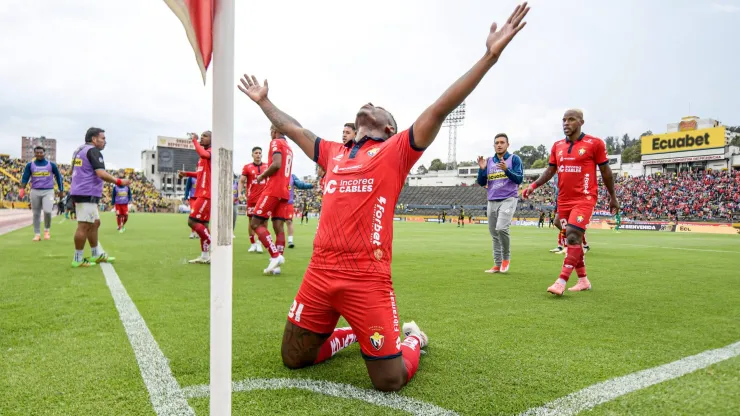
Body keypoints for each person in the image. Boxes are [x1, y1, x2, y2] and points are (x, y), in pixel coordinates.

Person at [237, 2, 529, 392]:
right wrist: (263, 101)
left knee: (388, 380)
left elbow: (441, 107)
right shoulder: (333, 153)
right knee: (294, 359)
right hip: (320, 272)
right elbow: (292, 127)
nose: (369, 103)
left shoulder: (396, 152)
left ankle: (413, 339)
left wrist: (489, 57)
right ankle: (346, 335)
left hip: (366, 278)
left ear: (389, 128)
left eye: (378, 108)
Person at [523, 109, 618, 295]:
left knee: (573, 236)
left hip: (584, 197)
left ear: (581, 122)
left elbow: (606, 171)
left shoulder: (594, 143)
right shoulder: (557, 146)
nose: (566, 123)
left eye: (571, 119)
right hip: (564, 200)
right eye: (564, 120)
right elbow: (550, 171)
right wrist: (533, 185)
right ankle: (583, 280)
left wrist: (612, 196)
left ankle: (561, 281)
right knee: (568, 234)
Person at [69, 127, 131, 268]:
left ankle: (95, 254)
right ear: (94, 139)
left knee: (95, 223)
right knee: (84, 225)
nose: (104, 141)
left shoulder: (79, 150)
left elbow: (71, 170)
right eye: (102, 138)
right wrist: (119, 181)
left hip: (81, 190)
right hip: (87, 192)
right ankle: (77, 259)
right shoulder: (93, 151)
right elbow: (101, 174)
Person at [476, 133, 523, 273]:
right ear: (494, 145)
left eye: (502, 142)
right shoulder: (489, 161)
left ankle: (506, 258)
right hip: (492, 200)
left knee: (501, 228)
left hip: (508, 198)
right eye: (497, 142)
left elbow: (519, 179)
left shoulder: (514, 159)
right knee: (494, 233)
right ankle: (497, 264)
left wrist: (506, 170)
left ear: (508, 144)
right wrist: (482, 169)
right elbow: (481, 182)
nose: (499, 144)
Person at [250, 126, 294, 274]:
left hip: (273, 189)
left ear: (275, 130)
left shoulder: (276, 142)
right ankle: (277, 266)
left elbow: (276, 164)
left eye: (270, 130)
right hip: (285, 191)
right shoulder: (289, 147)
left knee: (255, 223)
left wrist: (262, 176)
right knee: (278, 227)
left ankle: (275, 256)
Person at [178, 131, 212, 264]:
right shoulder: (203, 158)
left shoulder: (211, 152)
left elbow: (203, 153)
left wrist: (194, 140)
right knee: (203, 224)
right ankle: (205, 255)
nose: (202, 138)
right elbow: (199, 174)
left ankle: (213, 244)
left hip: (206, 194)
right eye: (201, 136)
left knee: (192, 222)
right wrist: (186, 173)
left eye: (205, 136)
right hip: (201, 193)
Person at [19, 146, 64, 241]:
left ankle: (47, 230)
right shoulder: (30, 165)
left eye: (41, 152)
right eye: (37, 152)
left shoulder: (51, 165)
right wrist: (22, 188)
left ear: (44, 153)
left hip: (48, 191)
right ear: (34, 153)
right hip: (35, 190)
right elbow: (25, 177)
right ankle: (37, 234)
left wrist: (61, 190)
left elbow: (58, 177)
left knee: (47, 211)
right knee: (36, 213)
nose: (39, 154)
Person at [238, 146, 266, 253]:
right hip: (252, 198)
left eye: (259, 153)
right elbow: (241, 181)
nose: (258, 155)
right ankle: (253, 243)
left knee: (263, 221)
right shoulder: (247, 167)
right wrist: (240, 193)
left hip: (264, 199)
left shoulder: (267, 166)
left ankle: (259, 243)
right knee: (251, 221)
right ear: (252, 155)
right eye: (256, 153)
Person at [286, 173, 314, 248]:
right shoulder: (276, 173)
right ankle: (279, 242)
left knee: (289, 221)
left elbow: (300, 184)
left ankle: (290, 241)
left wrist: (311, 185)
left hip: (289, 203)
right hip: (278, 203)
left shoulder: (292, 176)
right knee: (277, 223)